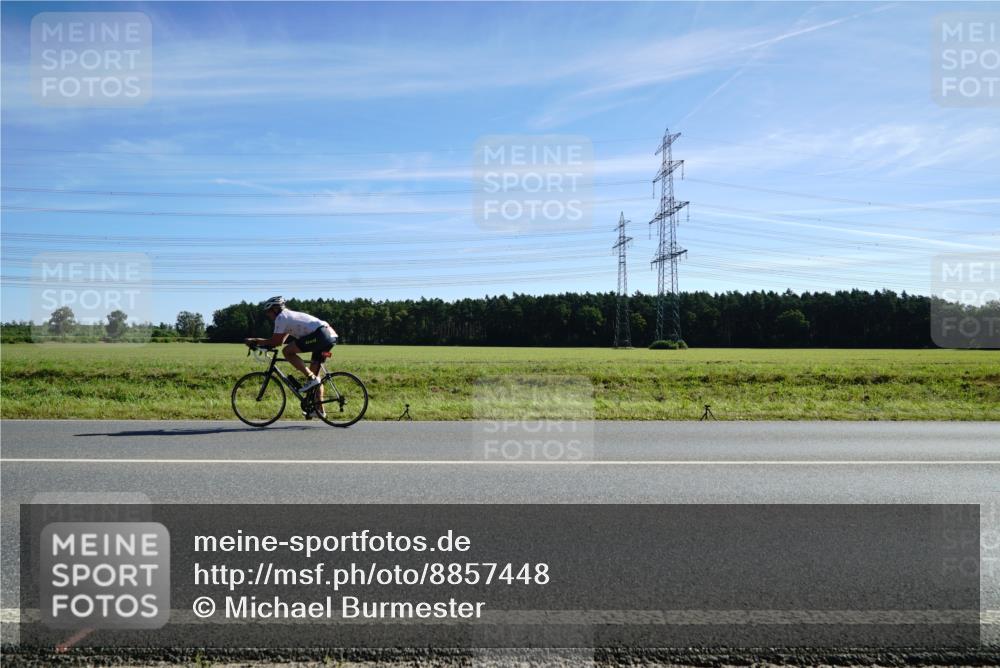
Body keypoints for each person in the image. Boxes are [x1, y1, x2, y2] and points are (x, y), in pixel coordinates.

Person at [245, 296, 338, 418]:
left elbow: (275, 341)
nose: (268, 315)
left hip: (321, 335)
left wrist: (255, 341)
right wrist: (265, 344)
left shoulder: (281, 317)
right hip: (329, 335)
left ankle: (311, 378)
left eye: (268, 312)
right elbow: (279, 341)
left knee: (287, 352)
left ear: (275, 309)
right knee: (316, 378)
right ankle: (320, 410)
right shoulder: (288, 316)